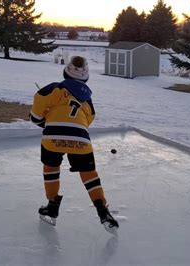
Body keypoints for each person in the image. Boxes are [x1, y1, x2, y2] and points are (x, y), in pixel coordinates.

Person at [29, 56, 118, 234]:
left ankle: (52, 206)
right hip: (81, 139)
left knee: (51, 167)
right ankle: (103, 210)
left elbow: (38, 105)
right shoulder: (87, 100)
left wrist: (41, 120)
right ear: (86, 79)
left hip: (52, 137)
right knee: (89, 174)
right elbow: (88, 119)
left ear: (65, 73)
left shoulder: (55, 88)